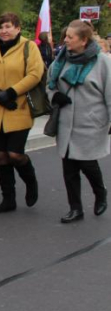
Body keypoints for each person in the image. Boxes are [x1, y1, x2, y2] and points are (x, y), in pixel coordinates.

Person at [0, 13, 44, 213]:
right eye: (1, 27)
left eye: (8, 26)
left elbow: (35, 73)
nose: (4, 31)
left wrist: (12, 92)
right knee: (1, 156)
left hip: (19, 106)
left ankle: (31, 182)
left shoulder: (28, 46)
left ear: (17, 28)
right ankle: (8, 199)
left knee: (15, 154)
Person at [47, 20, 110, 223]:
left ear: (83, 40)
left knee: (87, 163)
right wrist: (54, 96)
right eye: (66, 36)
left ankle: (100, 193)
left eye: (70, 37)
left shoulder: (102, 62)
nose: (65, 40)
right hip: (66, 121)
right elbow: (50, 84)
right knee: (69, 166)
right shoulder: (61, 59)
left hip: (91, 122)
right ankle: (75, 208)